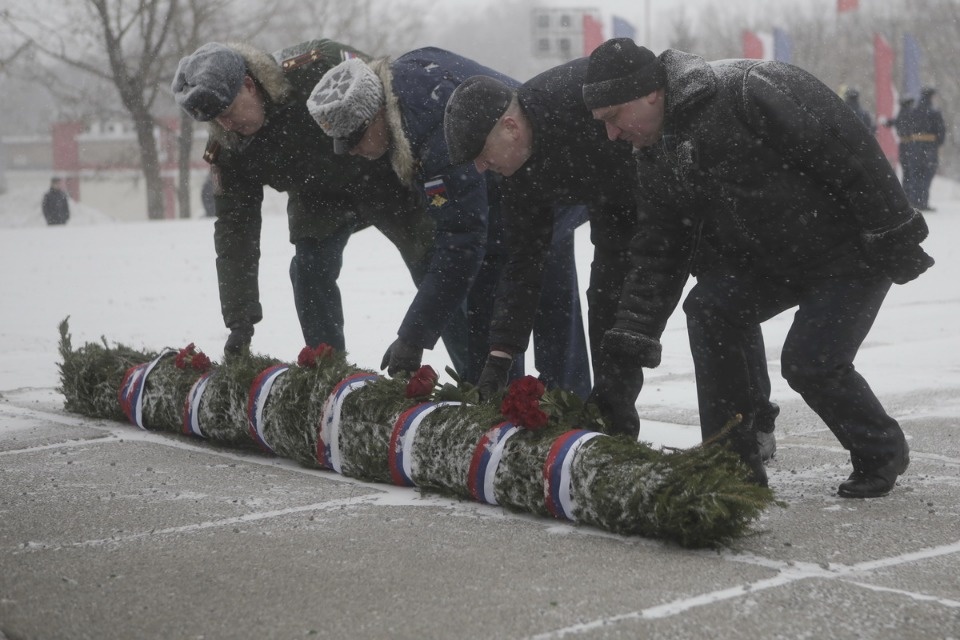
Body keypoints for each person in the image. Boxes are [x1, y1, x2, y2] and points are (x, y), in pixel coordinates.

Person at [584, 38, 934, 496]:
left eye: (613, 117)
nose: (612, 135)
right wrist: (630, 344)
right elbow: (658, 250)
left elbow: (850, 151)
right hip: (771, 262)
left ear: (650, 93)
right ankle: (731, 463)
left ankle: (881, 449)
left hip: (848, 253)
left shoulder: (748, 89)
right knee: (710, 309)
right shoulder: (653, 153)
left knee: (810, 362)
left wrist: (893, 233)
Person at [441, 58, 780, 455]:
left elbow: (649, 155)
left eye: (482, 154)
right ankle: (614, 430)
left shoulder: (579, 108)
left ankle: (753, 420)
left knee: (718, 297)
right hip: (613, 205)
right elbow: (523, 267)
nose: (481, 168)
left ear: (510, 127)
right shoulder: (517, 175)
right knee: (605, 304)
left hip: (674, 182)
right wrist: (499, 359)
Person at [307, 51, 590, 391]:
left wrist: (413, 337)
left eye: (354, 140)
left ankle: (566, 410)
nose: (351, 152)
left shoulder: (435, 131)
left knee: (545, 297)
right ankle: (501, 405)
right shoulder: (404, 82)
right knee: (489, 311)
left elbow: (462, 242)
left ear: (378, 112)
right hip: (502, 195)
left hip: (544, 180)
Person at [172, 40, 457, 363]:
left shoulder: (319, 67)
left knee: (433, 264)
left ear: (249, 85)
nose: (226, 125)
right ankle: (331, 376)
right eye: (214, 120)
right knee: (309, 272)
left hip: (380, 175)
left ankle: (475, 377)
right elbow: (235, 233)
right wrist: (240, 320)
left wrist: (424, 171)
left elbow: (388, 100)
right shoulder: (230, 146)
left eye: (227, 112)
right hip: (317, 198)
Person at [902, 87, 946, 211]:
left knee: (915, 174)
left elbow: (905, 127)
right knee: (927, 175)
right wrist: (938, 143)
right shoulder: (935, 111)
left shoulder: (913, 110)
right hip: (930, 147)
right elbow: (941, 130)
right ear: (931, 96)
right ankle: (923, 202)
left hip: (914, 146)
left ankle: (915, 202)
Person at [884, 97, 918, 202]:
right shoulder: (911, 113)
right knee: (911, 171)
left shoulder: (901, 113)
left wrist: (887, 122)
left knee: (906, 170)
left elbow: (893, 122)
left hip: (903, 144)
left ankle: (906, 196)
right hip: (911, 144)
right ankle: (911, 196)